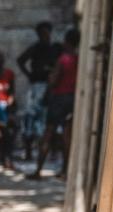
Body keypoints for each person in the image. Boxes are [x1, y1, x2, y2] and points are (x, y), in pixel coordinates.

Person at [32, 28, 80, 180]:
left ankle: (38, 170)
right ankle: (64, 171)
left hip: (58, 99)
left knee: (48, 134)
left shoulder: (63, 59)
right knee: (67, 137)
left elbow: (53, 81)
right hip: (72, 99)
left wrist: (48, 85)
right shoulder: (79, 59)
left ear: (66, 42)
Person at [17, 21, 62, 161]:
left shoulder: (55, 49)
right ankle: (29, 152)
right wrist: (30, 74)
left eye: (46, 32)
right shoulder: (35, 48)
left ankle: (52, 151)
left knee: (51, 120)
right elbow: (20, 60)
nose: (44, 35)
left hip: (51, 87)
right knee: (30, 119)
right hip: (36, 87)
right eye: (41, 33)